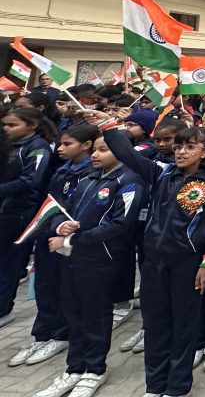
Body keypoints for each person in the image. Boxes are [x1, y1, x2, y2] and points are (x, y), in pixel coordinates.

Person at [104, 124, 205, 397]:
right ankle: (155, 385)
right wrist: (108, 125)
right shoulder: (162, 174)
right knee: (155, 324)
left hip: (188, 262)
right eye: (178, 146)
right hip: (153, 260)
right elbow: (126, 153)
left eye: (190, 147)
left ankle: (178, 387)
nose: (181, 152)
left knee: (183, 325)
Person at [33, 135, 142, 397]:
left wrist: (70, 240)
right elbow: (61, 208)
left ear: (122, 151)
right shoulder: (86, 178)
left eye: (103, 150)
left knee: (96, 315)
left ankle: (94, 370)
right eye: (94, 149)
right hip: (72, 257)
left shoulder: (129, 181)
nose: (95, 155)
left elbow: (119, 224)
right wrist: (61, 225)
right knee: (73, 313)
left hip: (100, 259)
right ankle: (74, 368)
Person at [9, 125, 98, 368]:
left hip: (70, 238)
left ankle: (60, 334)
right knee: (45, 285)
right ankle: (42, 334)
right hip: (49, 234)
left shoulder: (91, 173)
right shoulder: (62, 170)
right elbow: (52, 203)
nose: (60, 148)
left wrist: (64, 230)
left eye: (68, 144)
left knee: (62, 288)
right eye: (60, 143)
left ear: (86, 146)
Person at [0, 107, 55, 327]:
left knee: (9, 263)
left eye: (13, 125)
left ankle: (3, 309)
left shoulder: (37, 147)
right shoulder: (8, 145)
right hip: (4, 210)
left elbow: (31, 179)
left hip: (19, 212)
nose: (6, 128)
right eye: (5, 124)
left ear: (32, 126)